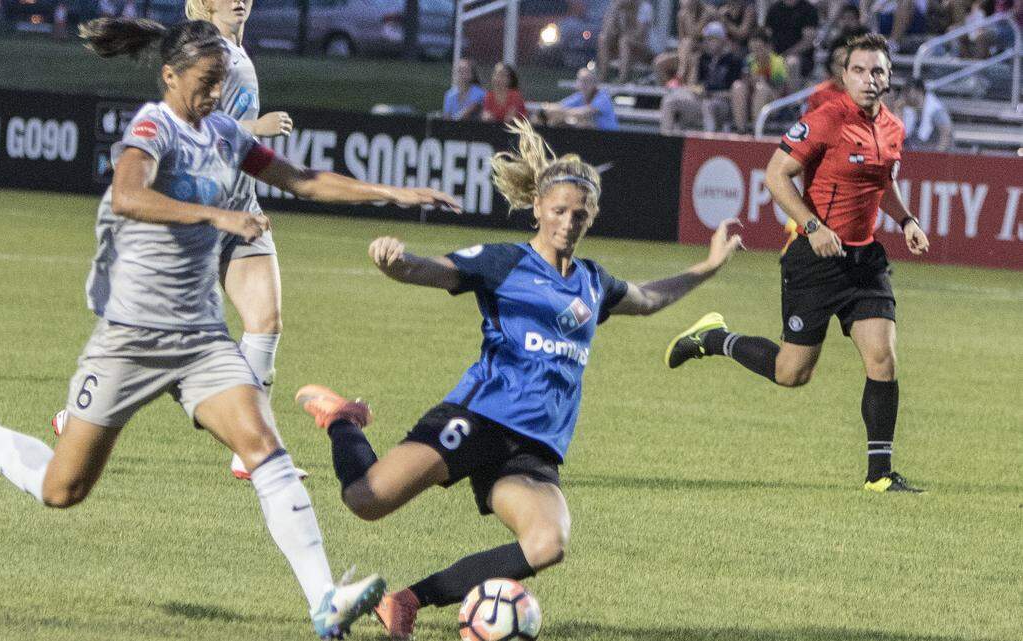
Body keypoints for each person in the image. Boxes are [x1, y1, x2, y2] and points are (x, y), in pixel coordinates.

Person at [0, 17, 459, 640]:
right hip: (131, 337)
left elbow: (302, 179)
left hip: (200, 338)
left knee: (263, 447)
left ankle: (324, 600)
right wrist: (217, 216)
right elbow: (128, 195)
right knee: (61, 490)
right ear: (170, 76)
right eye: (205, 84)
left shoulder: (225, 132)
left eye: (221, 84)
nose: (213, 97)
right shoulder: (154, 128)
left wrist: (394, 193)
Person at [292, 119, 743, 640]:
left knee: (548, 544)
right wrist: (397, 262)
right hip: (478, 416)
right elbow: (436, 270)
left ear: (591, 217)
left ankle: (407, 600)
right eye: (559, 210)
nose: (569, 221)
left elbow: (649, 299)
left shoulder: (595, 283)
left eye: (580, 213)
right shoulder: (505, 261)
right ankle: (343, 421)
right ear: (537, 209)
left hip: (535, 448)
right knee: (366, 501)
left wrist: (709, 265)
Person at [665, 34, 931, 494]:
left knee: (883, 358)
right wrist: (812, 227)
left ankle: (880, 474)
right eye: (860, 70)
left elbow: (882, 181)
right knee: (793, 373)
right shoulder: (824, 120)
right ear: (845, 76)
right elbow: (775, 175)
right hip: (815, 259)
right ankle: (713, 338)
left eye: (878, 71)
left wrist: (905, 219)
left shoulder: (892, 127)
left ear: (889, 79)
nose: (870, 79)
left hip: (865, 260)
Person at [178, 0, 296, 481]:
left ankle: (249, 451)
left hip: (242, 210)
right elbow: (191, 126)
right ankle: (82, 412)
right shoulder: (204, 53)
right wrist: (256, 128)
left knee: (265, 323)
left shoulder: (238, 52)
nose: (238, 0)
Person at [659, 21, 743, 134]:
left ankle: (708, 144)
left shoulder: (733, 61)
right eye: (706, 39)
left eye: (712, 39)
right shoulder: (703, 59)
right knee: (670, 101)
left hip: (723, 104)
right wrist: (694, 65)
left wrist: (712, 94)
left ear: (723, 40)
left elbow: (735, 94)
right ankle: (667, 139)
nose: (708, 43)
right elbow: (693, 86)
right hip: (702, 100)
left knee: (709, 105)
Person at [730, 29, 789, 133]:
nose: (756, 53)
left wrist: (763, 81)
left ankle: (756, 132)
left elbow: (779, 92)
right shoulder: (749, 61)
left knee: (762, 89)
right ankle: (741, 130)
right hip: (753, 100)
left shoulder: (777, 63)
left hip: (774, 103)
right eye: (753, 50)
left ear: (768, 47)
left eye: (759, 49)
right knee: (737, 86)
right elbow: (745, 85)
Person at [764, 0, 820, 90]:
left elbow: (808, 41)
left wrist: (787, 54)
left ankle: (793, 100)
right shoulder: (774, 9)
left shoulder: (809, 10)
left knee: (791, 62)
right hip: (776, 55)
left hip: (801, 57)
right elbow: (766, 36)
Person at [541, 67, 619, 130]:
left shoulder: (603, 97)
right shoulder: (579, 96)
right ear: (577, 83)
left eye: (588, 81)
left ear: (595, 83)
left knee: (584, 123)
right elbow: (557, 106)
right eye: (582, 81)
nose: (584, 84)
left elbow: (583, 113)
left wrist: (559, 112)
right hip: (595, 140)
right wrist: (551, 109)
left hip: (610, 139)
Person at [596, 0, 655, 83]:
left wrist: (630, 15)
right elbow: (608, 31)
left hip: (644, 50)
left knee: (624, 41)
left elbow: (640, 34)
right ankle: (602, 77)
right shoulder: (616, 6)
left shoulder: (645, 7)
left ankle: (622, 79)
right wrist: (615, 12)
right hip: (621, 48)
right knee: (603, 39)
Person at [897, 77, 954, 151]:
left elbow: (946, 133)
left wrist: (937, 154)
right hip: (918, 152)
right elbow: (902, 134)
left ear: (919, 92)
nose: (905, 95)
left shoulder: (936, 110)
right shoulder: (910, 110)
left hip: (934, 154)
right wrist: (898, 111)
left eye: (908, 91)